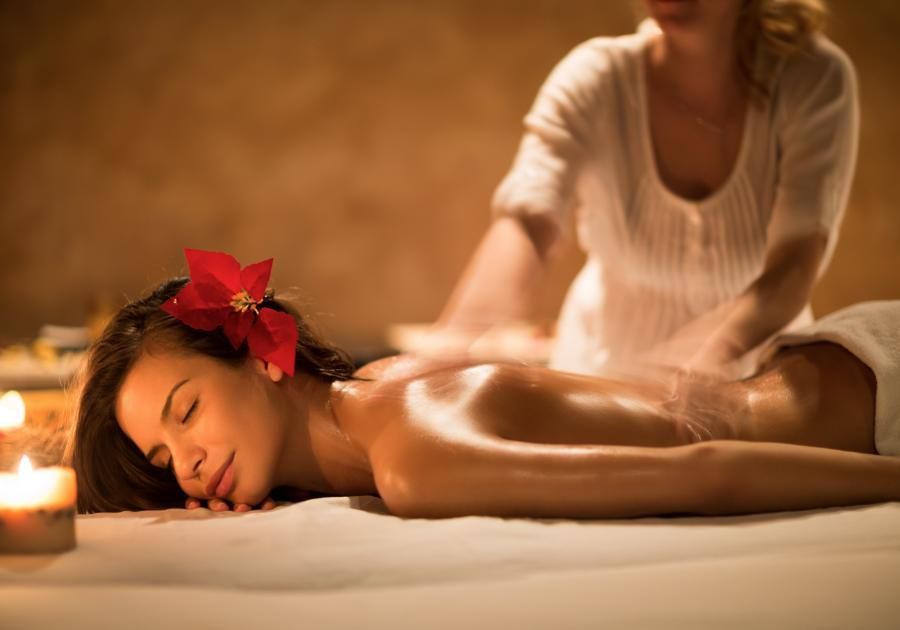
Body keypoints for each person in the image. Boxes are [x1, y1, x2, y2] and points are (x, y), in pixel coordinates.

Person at [68, 252, 900, 518]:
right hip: (836, 368)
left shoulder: (414, 459)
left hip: (874, 404)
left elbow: (705, 475)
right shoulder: (376, 389)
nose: (186, 462)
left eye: (186, 412)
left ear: (261, 356)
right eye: (162, 455)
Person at [436, 0, 858, 379]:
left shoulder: (814, 77)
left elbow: (795, 263)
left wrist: (714, 358)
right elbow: (528, 222)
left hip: (755, 386)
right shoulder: (596, 77)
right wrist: (448, 352)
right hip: (601, 378)